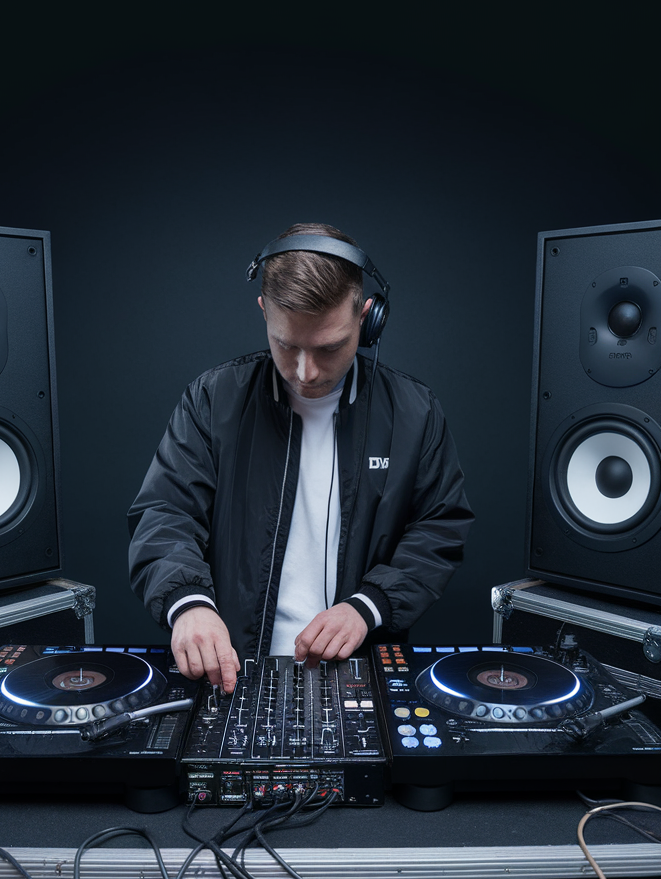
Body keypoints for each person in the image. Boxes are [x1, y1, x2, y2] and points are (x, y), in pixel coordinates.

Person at [128, 223, 473, 693]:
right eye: (287, 345)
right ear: (263, 311)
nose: (306, 372)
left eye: (329, 348)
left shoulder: (415, 412)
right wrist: (188, 604)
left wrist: (367, 605)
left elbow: (439, 528)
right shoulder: (213, 399)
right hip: (231, 673)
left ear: (368, 319)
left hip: (359, 676)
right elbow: (165, 513)